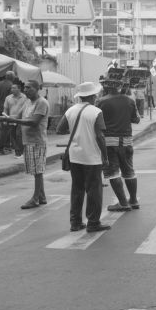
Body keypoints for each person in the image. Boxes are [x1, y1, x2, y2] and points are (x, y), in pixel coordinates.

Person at [56, 82, 111, 233]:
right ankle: (93, 222)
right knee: (94, 190)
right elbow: (100, 136)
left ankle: (75, 223)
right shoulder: (96, 112)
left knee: (77, 189)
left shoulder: (70, 110)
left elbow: (59, 130)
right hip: (91, 157)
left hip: (75, 156)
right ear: (92, 96)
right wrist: (105, 157)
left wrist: (77, 132)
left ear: (80, 96)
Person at [0, 80, 50, 209]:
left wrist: (11, 119)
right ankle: (41, 196)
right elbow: (18, 116)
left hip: (37, 141)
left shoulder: (41, 102)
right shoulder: (27, 102)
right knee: (35, 170)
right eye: (25, 88)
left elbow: (33, 122)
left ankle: (35, 199)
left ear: (37, 89)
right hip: (28, 141)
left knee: (37, 171)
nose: (25, 90)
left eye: (28, 88)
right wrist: (3, 118)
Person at [97, 82, 141, 212]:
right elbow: (136, 119)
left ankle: (122, 203)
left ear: (106, 87)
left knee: (112, 173)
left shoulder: (101, 102)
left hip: (110, 142)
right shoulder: (129, 100)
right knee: (129, 171)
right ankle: (133, 200)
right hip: (126, 141)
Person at [0, 71, 15, 155]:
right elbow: (12, 100)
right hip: (6, 110)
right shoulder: (12, 86)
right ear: (12, 77)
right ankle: (4, 148)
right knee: (6, 129)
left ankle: (2, 147)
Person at [2, 83, 27, 159]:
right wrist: (4, 119)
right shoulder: (8, 98)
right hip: (10, 119)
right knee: (12, 136)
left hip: (21, 119)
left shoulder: (24, 97)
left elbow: (26, 108)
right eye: (11, 88)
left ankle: (21, 152)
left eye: (14, 88)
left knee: (19, 135)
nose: (12, 89)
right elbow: (5, 109)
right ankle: (17, 152)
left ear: (19, 89)